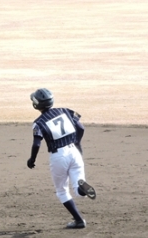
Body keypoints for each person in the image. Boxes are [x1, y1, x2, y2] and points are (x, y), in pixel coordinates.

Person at [26, 88, 96, 229]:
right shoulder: (65, 110)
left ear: (36, 104)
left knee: (62, 191)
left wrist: (32, 160)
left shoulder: (38, 122)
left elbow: (36, 144)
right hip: (74, 151)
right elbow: (81, 127)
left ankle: (79, 221)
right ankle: (82, 189)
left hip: (58, 156)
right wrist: (77, 142)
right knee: (78, 189)